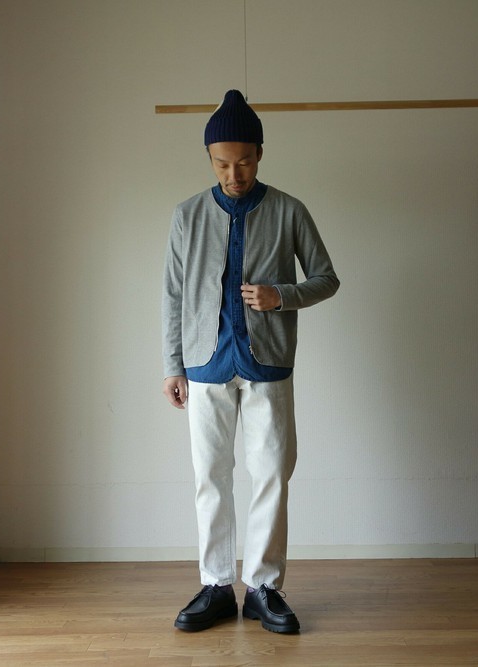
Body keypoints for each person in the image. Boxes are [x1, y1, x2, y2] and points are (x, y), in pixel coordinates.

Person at [162, 90, 339, 633]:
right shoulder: (187, 215)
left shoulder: (289, 210)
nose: (233, 174)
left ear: (259, 153)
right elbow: (173, 295)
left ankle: (264, 587)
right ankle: (216, 585)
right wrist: (172, 364)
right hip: (205, 364)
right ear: (209, 158)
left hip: (268, 364)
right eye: (221, 163)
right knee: (209, 478)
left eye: (242, 161)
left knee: (272, 476)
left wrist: (280, 296)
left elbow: (326, 278)